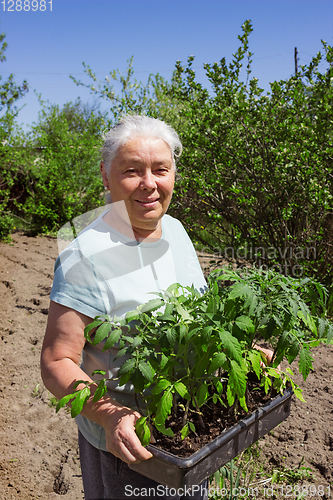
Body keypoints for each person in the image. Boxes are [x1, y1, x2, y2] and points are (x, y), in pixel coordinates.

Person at [41, 115, 209, 500]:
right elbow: (56, 361)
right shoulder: (85, 255)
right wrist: (108, 415)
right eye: (132, 171)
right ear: (106, 174)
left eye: (160, 170)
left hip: (190, 428)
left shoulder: (178, 231)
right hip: (128, 444)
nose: (149, 184)